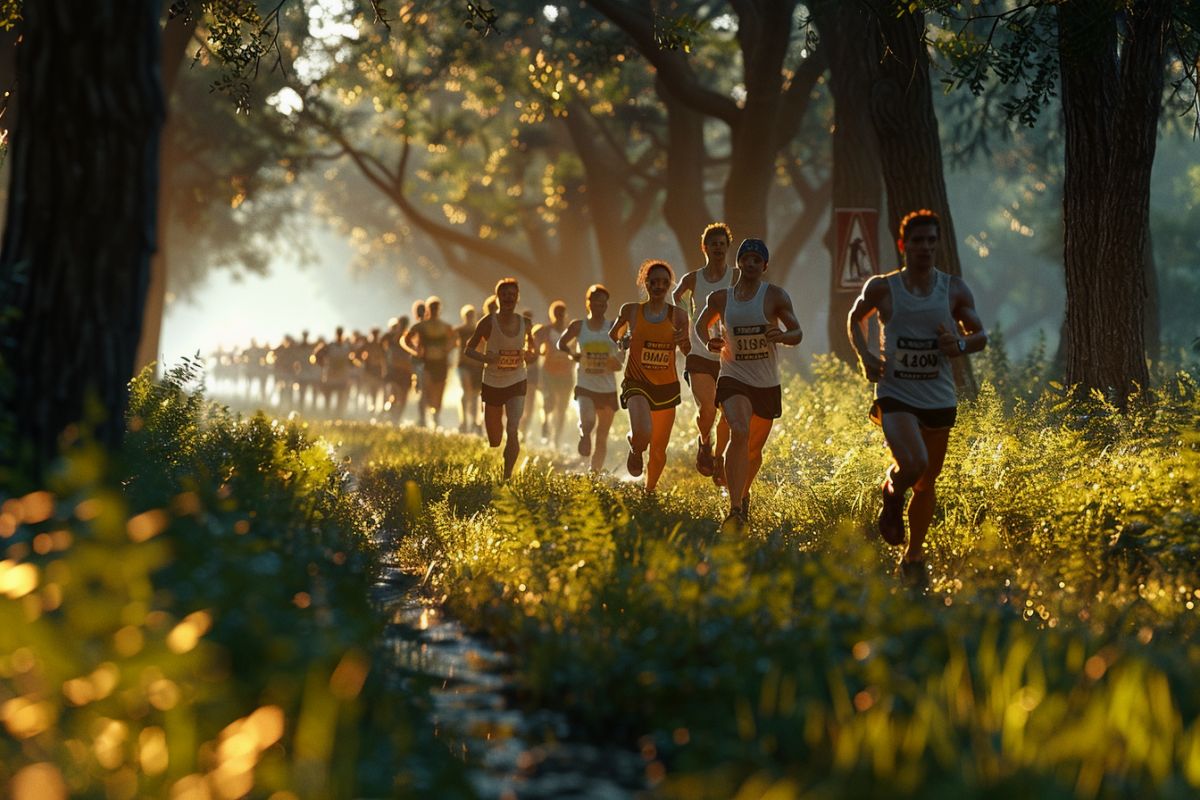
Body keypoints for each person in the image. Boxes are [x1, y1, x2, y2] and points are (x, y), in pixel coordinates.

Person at [847, 209, 987, 587]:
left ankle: (913, 556)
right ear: (903, 245)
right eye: (917, 241)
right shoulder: (883, 287)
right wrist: (866, 356)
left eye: (930, 241)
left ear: (937, 244)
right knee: (914, 462)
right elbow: (855, 317)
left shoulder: (953, 289)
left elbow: (980, 336)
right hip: (895, 392)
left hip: (938, 396)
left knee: (927, 480)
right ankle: (891, 493)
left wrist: (958, 343)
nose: (924, 247)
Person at [696, 238, 803, 530]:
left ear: (764, 266)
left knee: (753, 450)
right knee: (739, 431)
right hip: (734, 375)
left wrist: (781, 335)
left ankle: (743, 496)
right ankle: (734, 509)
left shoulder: (775, 296)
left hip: (766, 382)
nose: (752, 264)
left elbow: (797, 332)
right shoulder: (721, 298)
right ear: (739, 263)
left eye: (758, 260)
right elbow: (700, 323)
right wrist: (709, 341)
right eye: (747, 259)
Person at [610, 260, 690, 492]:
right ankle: (636, 449)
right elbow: (614, 333)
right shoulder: (631, 310)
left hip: (666, 386)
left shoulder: (678, 316)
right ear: (645, 283)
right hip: (637, 381)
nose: (659, 286)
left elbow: (687, 350)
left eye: (664, 282)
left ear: (669, 286)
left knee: (658, 449)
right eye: (654, 282)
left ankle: (650, 490)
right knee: (643, 432)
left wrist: (682, 342)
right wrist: (623, 341)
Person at [674, 222, 736, 484]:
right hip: (699, 354)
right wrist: (685, 327)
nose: (718, 248)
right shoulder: (693, 279)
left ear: (727, 247)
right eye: (714, 244)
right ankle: (704, 442)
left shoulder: (736, 277)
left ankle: (719, 457)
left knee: (730, 414)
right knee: (708, 409)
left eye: (722, 244)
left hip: (730, 356)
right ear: (705, 248)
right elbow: (677, 299)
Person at [463, 278, 538, 479]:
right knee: (495, 439)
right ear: (498, 298)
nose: (508, 298)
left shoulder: (526, 323)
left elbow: (533, 352)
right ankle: (502, 457)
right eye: (504, 294)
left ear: (517, 298)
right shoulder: (488, 322)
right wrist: (486, 357)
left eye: (512, 295)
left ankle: (507, 475)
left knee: (513, 428)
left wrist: (529, 355)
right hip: (493, 382)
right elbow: (468, 350)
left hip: (517, 379)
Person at [556, 284, 623, 472]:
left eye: (603, 303)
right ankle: (584, 435)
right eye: (596, 302)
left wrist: (618, 361)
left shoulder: (613, 327)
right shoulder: (579, 326)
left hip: (607, 386)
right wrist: (572, 354)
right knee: (588, 421)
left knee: (602, 435)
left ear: (606, 305)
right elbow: (560, 342)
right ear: (589, 304)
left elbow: (625, 347)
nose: (599, 306)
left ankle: (594, 474)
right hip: (585, 384)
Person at [403, 296, 454, 428]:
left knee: (439, 393)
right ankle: (422, 419)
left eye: (437, 308)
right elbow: (405, 340)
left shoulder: (445, 326)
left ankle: (436, 417)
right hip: (427, 364)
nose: (435, 311)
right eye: (432, 308)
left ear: (440, 310)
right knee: (425, 391)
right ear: (428, 309)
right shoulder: (421, 326)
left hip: (441, 364)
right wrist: (415, 351)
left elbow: (455, 340)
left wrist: (447, 349)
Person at [539, 300, 575, 448]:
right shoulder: (546, 330)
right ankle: (546, 422)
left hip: (566, 373)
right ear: (552, 314)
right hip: (549, 372)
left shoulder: (571, 331)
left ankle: (556, 438)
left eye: (561, 313)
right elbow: (537, 347)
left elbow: (576, 350)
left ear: (565, 314)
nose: (559, 316)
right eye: (556, 313)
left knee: (562, 407)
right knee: (549, 402)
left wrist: (572, 359)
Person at [455, 305, 484, 434]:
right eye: (468, 315)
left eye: (471, 315)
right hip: (463, 365)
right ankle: (464, 421)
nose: (470, 318)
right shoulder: (459, 331)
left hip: (477, 366)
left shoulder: (479, 330)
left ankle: (474, 422)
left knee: (475, 396)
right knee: (466, 391)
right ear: (464, 317)